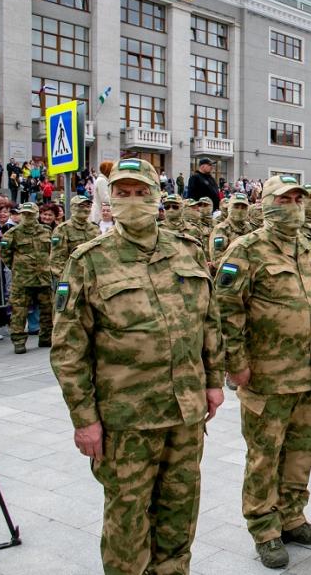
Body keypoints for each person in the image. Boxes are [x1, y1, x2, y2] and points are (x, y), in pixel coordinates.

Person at [50, 157, 222, 575]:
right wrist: (84, 418)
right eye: (122, 193)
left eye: (140, 192)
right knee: (127, 519)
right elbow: (68, 349)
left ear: (156, 197)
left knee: (179, 510)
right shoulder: (90, 260)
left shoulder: (187, 250)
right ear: (110, 200)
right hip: (126, 419)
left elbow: (209, 320)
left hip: (184, 412)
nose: (131, 201)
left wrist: (213, 381)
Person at [213, 175, 311, 569]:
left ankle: (293, 516)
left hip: (308, 371)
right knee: (265, 455)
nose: (295, 204)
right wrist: (237, 363)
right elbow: (226, 311)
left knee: (300, 451)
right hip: (267, 374)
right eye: (286, 198)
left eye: (300, 197)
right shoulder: (246, 250)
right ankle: (265, 529)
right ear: (266, 203)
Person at [0, 202, 53, 353]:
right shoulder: (13, 233)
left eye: (30, 214)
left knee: (47, 309)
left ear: (36, 215)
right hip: (22, 279)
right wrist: (18, 267)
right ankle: (19, 341)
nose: (27, 217)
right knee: (19, 311)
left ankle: (46, 337)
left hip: (43, 278)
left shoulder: (46, 231)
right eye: (24, 214)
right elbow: (5, 255)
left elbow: (52, 251)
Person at [49, 195, 98, 281]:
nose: (85, 209)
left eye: (88, 206)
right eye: (81, 206)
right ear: (72, 208)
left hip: (92, 278)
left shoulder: (94, 228)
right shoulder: (62, 229)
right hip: (71, 279)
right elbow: (57, 258)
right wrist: (64, 280)